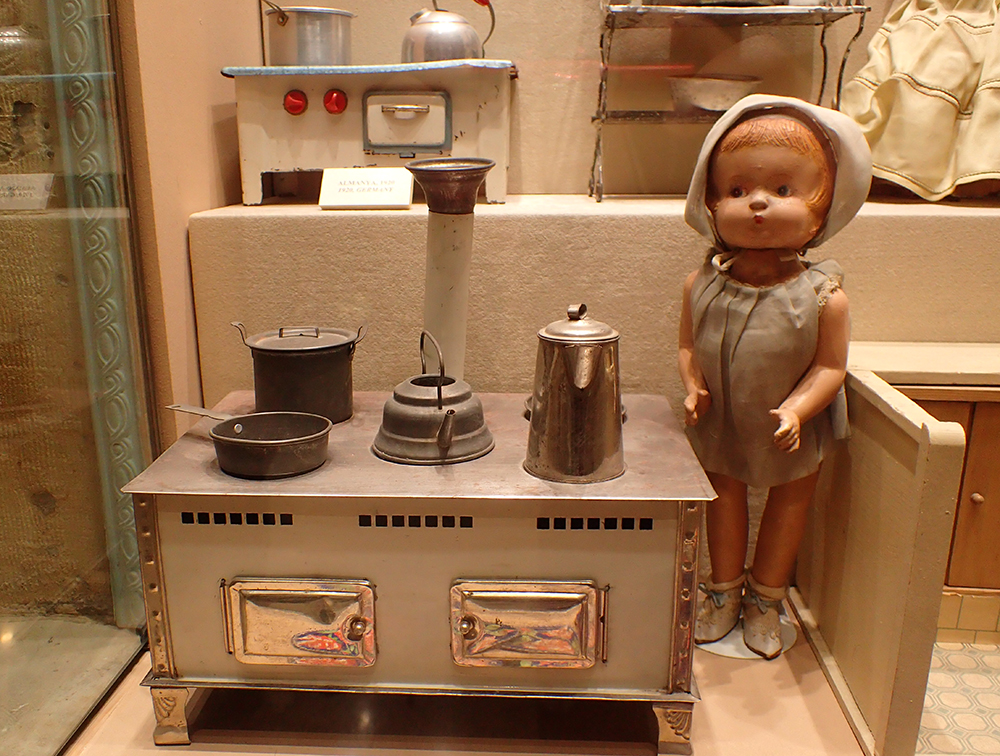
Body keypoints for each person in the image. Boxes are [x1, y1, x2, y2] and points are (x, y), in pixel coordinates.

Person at [678, 95, 872, 659]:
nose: (758, 202)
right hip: (722, 418)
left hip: (793, 426)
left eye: (783, 189)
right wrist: (693, 386)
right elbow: (688, 345)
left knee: (788, 505)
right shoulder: (701, 285)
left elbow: (830, 366)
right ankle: (723, 592)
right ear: (711, 201)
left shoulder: (823, 296)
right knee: (722, 498)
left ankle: (766, 600)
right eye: (737, 190)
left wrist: (797, 410)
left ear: (822, 207)